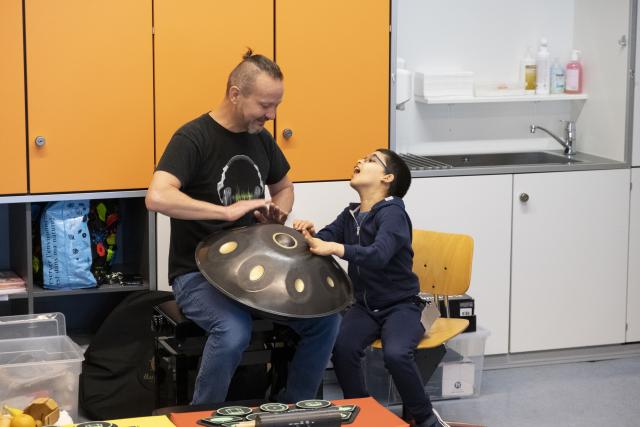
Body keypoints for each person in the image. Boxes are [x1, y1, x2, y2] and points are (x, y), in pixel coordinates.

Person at [146, 50, 340, 405]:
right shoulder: (193, 137)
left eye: (276, 105)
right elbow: (157, 197)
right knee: (234, 331)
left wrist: (278, 215)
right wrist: (226, 212)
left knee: (325, 322)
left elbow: (284, 187)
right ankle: (206, 414)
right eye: (265, 105)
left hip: (257, 273)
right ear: (235, 94)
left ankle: (294, 408)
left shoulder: (261, 138)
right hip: (197, 275)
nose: (272, 115)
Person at [293, 149, 450, 427]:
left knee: (397, 354)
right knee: (342, 349)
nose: (359, 161)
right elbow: (323, 240)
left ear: (387, 177)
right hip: (365, 307)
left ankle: (426, 417)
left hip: (402, 306)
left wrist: (335, 248)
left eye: (370, 160)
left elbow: (379, 254)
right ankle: (363, 413)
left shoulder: (393, 213)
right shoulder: (350, 213)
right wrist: (308, 234)